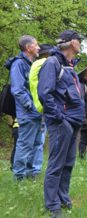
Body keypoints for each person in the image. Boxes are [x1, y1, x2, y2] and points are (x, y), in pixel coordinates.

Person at [38, 30, 84, 217]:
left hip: (73, 122)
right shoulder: (52, 63)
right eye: (79, 41)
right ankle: (52, 205)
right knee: (56, 164)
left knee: (68, 163)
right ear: (73, 42)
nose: (80, 44)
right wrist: (59, 118)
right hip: (61, 122)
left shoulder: (70, 66)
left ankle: (63, 197)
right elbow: (44, 94)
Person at [6, 35, 41, 181]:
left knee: (35, 144)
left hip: (36, 113)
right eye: (36, 44)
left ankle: (30, 174)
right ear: (29, 47)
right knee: (25, 144)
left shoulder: (31, 64)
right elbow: (18, 90)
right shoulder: (19, 64)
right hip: (27, 113)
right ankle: (18, 177)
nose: (39, 47)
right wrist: (30, 106)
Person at [29, 43, 53, 175]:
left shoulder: (35, 64)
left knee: (34, 141)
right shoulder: (46, 64)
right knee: (38, 141)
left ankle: (32, 169)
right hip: (43, 105)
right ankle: (35, 170)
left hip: (36, 105)